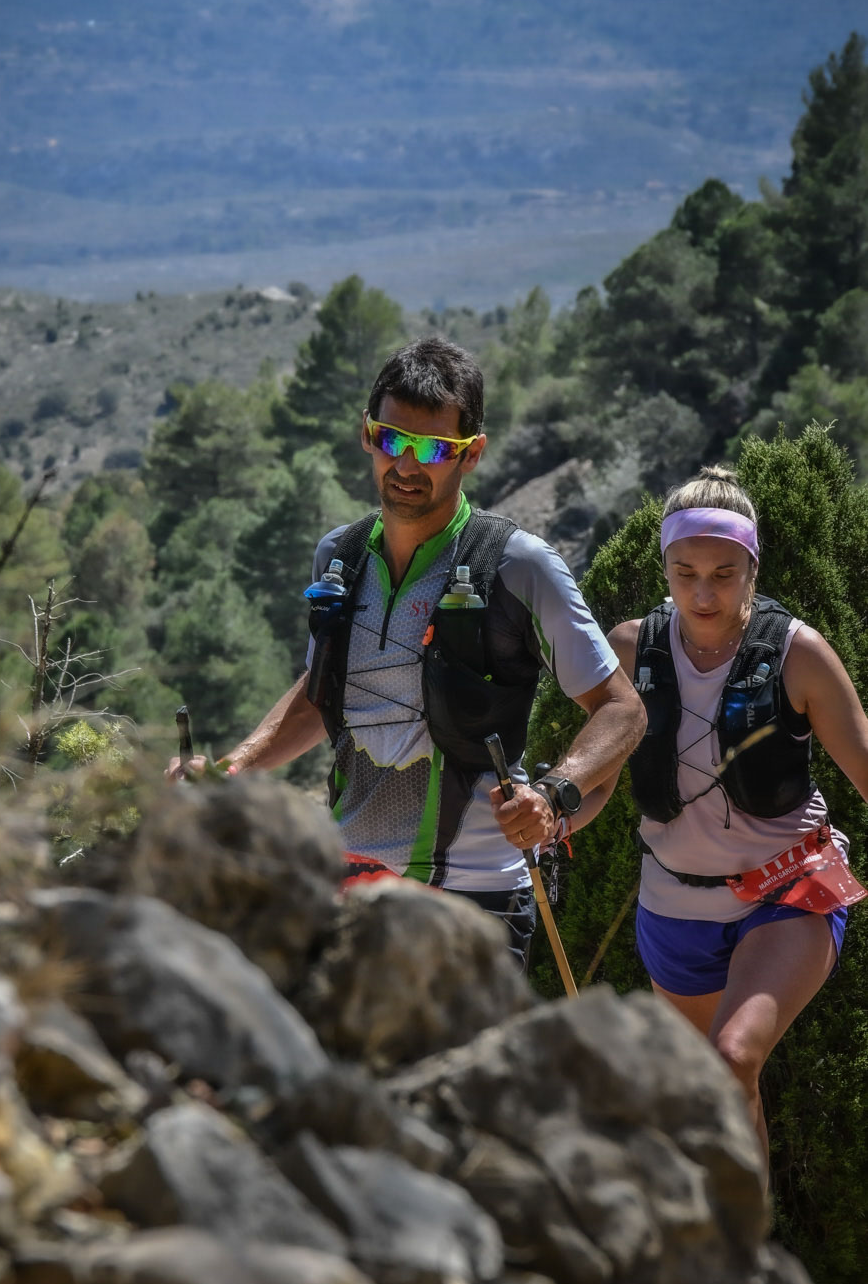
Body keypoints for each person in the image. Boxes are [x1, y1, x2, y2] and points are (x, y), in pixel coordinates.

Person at [169, 335, 645, 969]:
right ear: (367, 435)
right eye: (392, 440)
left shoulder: (519, 565)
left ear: (472, 453)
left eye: (434, 449)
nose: (407, 465)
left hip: (475, 897)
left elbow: (622, 709)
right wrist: (227, 772)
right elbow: (320, 694)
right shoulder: (338, 557)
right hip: (352, 884)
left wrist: (555, 795)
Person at [596, 466, 868, 1160]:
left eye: (723, 574)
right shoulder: (629, 649)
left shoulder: (798, 654)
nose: (701, 593)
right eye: (684, 573)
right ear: (663, 567)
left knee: (732, 1056)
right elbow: (598, 777)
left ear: (752, 569)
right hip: (673, 906)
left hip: (789, 890)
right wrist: (552, 811)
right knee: (711, 1092)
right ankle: (746, 1222)